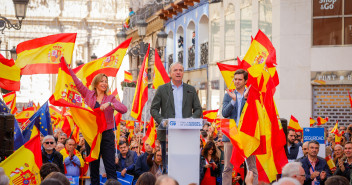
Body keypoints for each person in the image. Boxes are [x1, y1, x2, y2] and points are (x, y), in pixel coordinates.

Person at [66, 57, 127, 185]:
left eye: (106, 81)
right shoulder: (88, 95)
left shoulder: (111, 98)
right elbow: (77, 83)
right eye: (102, 81)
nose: (104, 83)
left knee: (110, 167)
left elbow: (124, 109)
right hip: (92, 136)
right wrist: (69, 70)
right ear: (96, 83)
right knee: (94, 168)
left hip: (107, 135)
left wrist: (110, 104)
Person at [150, 62, 202, 168]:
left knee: (185, 165)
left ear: (183, 73)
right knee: (168, 166)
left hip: (186, 133)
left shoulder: (190, 89)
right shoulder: (162, 89)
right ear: (170, 73)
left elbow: (198, 109)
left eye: (180, 70)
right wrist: (162, 121)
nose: (178, 72)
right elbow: (154, 109)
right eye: (175, 70)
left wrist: (191, 120)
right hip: (168, 133)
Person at [221, 69, 257, 184]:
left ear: (245, 81)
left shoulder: (251, 94)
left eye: (240, 79)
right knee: (227, 167)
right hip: (231, 135)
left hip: (247, 135)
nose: (237, 82)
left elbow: (253, 113)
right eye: (235, 79)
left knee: (252, 167)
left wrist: (246, 100)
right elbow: (224, 113)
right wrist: (233, 101)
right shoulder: (228, 95)